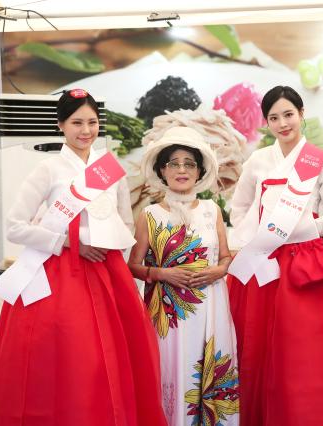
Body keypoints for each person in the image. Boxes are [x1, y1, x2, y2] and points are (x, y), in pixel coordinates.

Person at [0, 89, 167, 426]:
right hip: (61, 275)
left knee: (112, 357)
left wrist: (113, 252)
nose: (86, 130)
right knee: (72, 358)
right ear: (60, 125)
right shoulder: (48, 168)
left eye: (92, 122)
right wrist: (67, 243)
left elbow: (125, 220)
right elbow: (14, 227)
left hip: (107, 271)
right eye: (76, 123)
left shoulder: (109, 169)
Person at [227, 86, 323, 426]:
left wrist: (299, 229)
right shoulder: (258, 160)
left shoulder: (321, 160)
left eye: (288, 115)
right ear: (267, 122)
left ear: (302, 113)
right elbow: (239, 209)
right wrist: (255, 234)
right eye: (274, 118)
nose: (282, 123)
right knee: (264, 351)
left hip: (306, 264)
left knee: (307, 354)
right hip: (264, 261)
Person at [128, 126, 239, 426]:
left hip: (211, 305)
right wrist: (162, 273)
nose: (181, 169)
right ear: (162, 170)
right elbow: (133, 265)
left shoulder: (212, 210)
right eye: (173, 163)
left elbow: (227, 256)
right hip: (169, 313)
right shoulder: (149, 215)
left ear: (199, 170)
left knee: (210, 367)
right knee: (172, 370)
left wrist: (215, 271)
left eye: (189, 163)